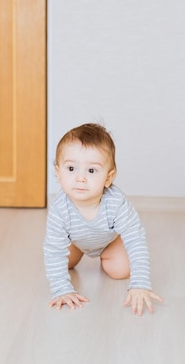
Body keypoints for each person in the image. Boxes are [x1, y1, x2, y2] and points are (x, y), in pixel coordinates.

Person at [43, 123, 163, 316]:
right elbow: (53, 250)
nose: (80, 178)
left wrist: (140, 284)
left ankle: (106, 255)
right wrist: (62, 290)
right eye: (71, 168)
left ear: (108, 178)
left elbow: (136, 240)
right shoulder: (59, 208)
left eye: (91, 171)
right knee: (60, 264)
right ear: (58, 173)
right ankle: (77, 257)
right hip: (75, 242)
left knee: (121, 270)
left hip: (109, 242)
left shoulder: (116, 203)